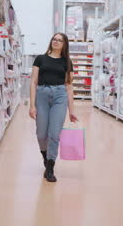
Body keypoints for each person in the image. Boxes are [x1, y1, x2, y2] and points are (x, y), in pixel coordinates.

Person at [29, 32, 79, 182]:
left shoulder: (67, 62)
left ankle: (50, 167)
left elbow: (69, 87)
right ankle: (45, 157)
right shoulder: (40, 59)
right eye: (54, 39)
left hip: (60, 96)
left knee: (54, 134)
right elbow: (33, 82)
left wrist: (72, 111)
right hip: (42, 95)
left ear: (64, 45)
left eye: (60, 40)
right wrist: (32, 105)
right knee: (41, 134)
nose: (56, 42)